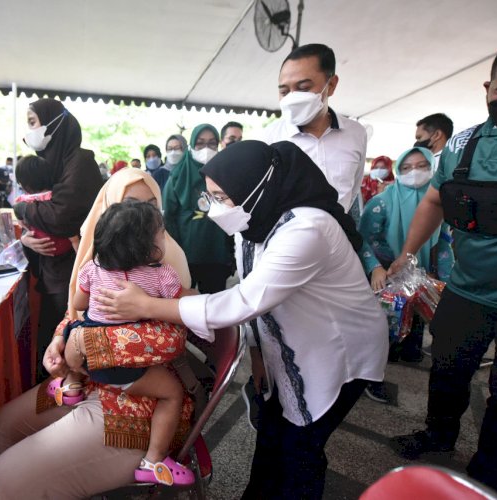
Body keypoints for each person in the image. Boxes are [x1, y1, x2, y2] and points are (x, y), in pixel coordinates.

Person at [95, 140, 387, 499]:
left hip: (337, 350)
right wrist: (260, 356)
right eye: (211, 196)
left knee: (301, 449)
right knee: (271, 433)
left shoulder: (307, 229)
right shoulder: (253, 221)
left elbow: (244, 301)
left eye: (221, 196)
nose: (215, 207)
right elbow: (253, 292)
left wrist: (146, 306)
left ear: (259, 187)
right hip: (290, 339)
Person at [0, 168, 192, 499]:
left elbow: (173, 339)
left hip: (134, 400)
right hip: (85, 379)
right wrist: (61, 339)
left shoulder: (166, 259)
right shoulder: (98, 258)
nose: (146, 216)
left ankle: (150, 461)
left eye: (153, 204)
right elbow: (78, 311)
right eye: (133, 205)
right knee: (0, 426)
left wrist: (84, 343)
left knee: (1, 484)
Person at [389, 39, 497, 493]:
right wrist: (407, 252)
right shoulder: (463, 145)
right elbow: (435, 199)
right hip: (466, 290)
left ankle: (488, 477)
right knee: (446, 371)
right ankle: (438, 439)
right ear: (487, 88)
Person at [54, 199, 193, 485]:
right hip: (120, 367)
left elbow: (79, 303)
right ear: (150, 247)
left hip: (84, 355)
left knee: (76, 328)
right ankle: (154, 462)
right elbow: (180, 304)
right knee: (172, 393)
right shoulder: (161, 274)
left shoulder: (92, 268)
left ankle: (72, 385)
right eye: (161, 233)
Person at [359, 147, 453, 403]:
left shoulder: (438, 203)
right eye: (407, 167)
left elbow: (443, 243)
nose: (414, 172)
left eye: (422, 166)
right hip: (386, 273)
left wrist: (446, 279)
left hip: (420, 275)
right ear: (397, 170)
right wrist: (374, 268)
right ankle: (371, 378)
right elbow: (363, 239)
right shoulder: (381, 202)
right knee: (383, 328)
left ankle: (409, 350)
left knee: (413, 320)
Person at [14, 98, 103, 367]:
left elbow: (60, 216)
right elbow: (43, 208)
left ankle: (64, 395)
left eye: (33, 122)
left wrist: (21, 209)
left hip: (72, 271)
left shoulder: (80, 162)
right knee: (53, 340)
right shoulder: (51, 163)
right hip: (53, 268)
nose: (29, 130)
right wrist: (25, 237)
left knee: (63, 340)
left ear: (55, 124)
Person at [261, 43, 367, 223]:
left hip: (338, 240)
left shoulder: (356, 134)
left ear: (331, 85)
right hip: (287, 243)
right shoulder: (269, 138)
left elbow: (353, 189)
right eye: (284, 91)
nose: (292, 98)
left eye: (303, 88)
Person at [163, 123, 233, 293]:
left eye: (211, 143)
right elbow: (169, 217)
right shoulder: (177, 177)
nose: (206, 148)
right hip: (185, 256)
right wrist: (175, 252)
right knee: (184, 307)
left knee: (215, 308)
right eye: (200, 143)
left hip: (217, 254)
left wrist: (231, 254)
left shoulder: (227, 173)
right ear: (191, 145)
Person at [14, 155, 73, 256]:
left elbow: (24, 225)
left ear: (23, 183)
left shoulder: (23, 202)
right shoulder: (57, 196)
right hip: (66, 248)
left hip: (45, 254)